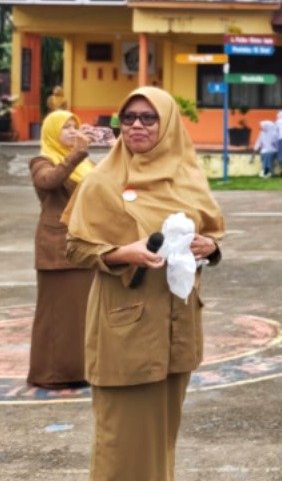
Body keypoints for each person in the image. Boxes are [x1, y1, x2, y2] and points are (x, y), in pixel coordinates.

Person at [63, 86, 223, 481]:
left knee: (161, 438)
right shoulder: (103, 181)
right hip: (126, 328)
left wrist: (211, 246)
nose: (136, 125)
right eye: (128, 117)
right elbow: (76, 248)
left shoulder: (187, 175)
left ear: (166, 124)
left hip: (176, 326)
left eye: (148, 118)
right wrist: (123, 253)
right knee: (123, 443)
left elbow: (211, 230)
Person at [27, 110, 95, 388]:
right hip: (56, 248)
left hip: (83, 244)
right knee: (55, 316)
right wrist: (78, 153)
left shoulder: (85, 166)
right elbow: (50, 181)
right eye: (64, 128)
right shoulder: (41, 161)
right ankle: (50, 374)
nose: (70, 132)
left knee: (80, 314)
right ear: (52, 133)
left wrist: (119, 151)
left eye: (74, 127)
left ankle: (79, 371)